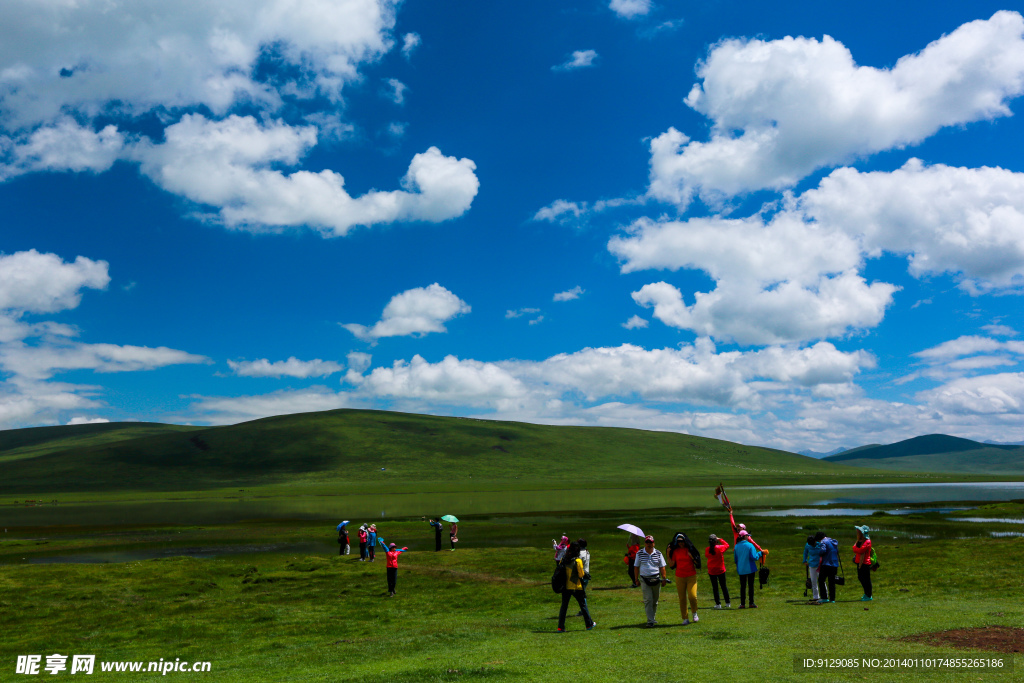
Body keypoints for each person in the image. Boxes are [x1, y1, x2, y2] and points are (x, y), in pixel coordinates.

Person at [556, 542, 596, 632]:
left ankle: (560, 627)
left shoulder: (564, 559)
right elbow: (581, 574)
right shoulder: (577, 561)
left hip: (566, 586)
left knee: (564, 607)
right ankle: (589, 624)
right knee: (583, 605)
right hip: (576, 586)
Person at [634, 535, 668, 627]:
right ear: (645, 543)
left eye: (651, 542)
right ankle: (650, 621)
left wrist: (664, 578)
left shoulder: (658, 553)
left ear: (654, 543)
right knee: (648, 599)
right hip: (644, 579)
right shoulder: (639, 553)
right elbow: (636, 567)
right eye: (647, 542)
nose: (649, 544)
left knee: (655, 600)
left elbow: (662, 567)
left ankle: (652, 617)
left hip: (656, 578)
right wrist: (636, 579)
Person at [667, 532, 701, 624]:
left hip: (691, 576)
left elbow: (698, 563)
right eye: (678, 542)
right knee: (682, 598)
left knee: (692, 596)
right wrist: (668, 553)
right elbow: (671, 564)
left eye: (682, 541)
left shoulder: (689, 549)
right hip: (680, 577)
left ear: (685, 541)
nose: (680, 543)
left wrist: (692, 557)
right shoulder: (676, 552)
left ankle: (694, 613)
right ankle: (685, 618)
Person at [734, 530, 763, 608]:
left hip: (741, 569)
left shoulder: (736, 546)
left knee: (742, 586)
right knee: (751, 586)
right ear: (745, 536)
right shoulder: (750, 545)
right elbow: (754, 557)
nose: (748, 537)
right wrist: (760, 553)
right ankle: (751, 603)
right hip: (750, 569)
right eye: (747, 535)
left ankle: (742, 604)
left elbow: (735, 559)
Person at [705, 534, 731, 609]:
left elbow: (707, 556)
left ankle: (718, 604)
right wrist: (720, 539)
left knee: (715, 587)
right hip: (720, 569)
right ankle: (727, 602)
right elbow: (727, 545)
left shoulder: (707, 549)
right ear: (716, 541)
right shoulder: (720, 548)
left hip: (712, 570)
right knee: (723, 586)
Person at [815, 531, 840, 604]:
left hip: (826, 563)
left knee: (821, 580)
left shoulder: (823, 542)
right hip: (834, 564)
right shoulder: (833, 541)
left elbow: (823, 550)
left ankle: (824, 597)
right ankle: (832, 598)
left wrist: (819, 553)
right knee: (831, 582)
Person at [853, 525, 873, 601]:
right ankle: (866, 593)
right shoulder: (859, 540)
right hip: (859, 562)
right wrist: (856, 548)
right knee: (860, 577)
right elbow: (854, 548)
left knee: (866, 579)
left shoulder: (867, 541)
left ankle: (869, 595)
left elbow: (861, 550)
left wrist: (856, 548)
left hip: (865, 562)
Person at [803, 535, 822, 603]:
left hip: (819, 565)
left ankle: (824, 596)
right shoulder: (807, 545)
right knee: (813, 581)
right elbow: (805, 552)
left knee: (821, 581)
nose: (811, 544)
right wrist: (804, 560)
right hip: (811, 565)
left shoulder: (819, 544)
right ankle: (816, 596)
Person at [575, 538, 591, 616]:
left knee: (581, 594)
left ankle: (584, 610)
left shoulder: (580, 554)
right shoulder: (587, 552)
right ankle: (583, 609)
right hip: (586, 574)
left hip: (582, 575)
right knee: (582, 593)